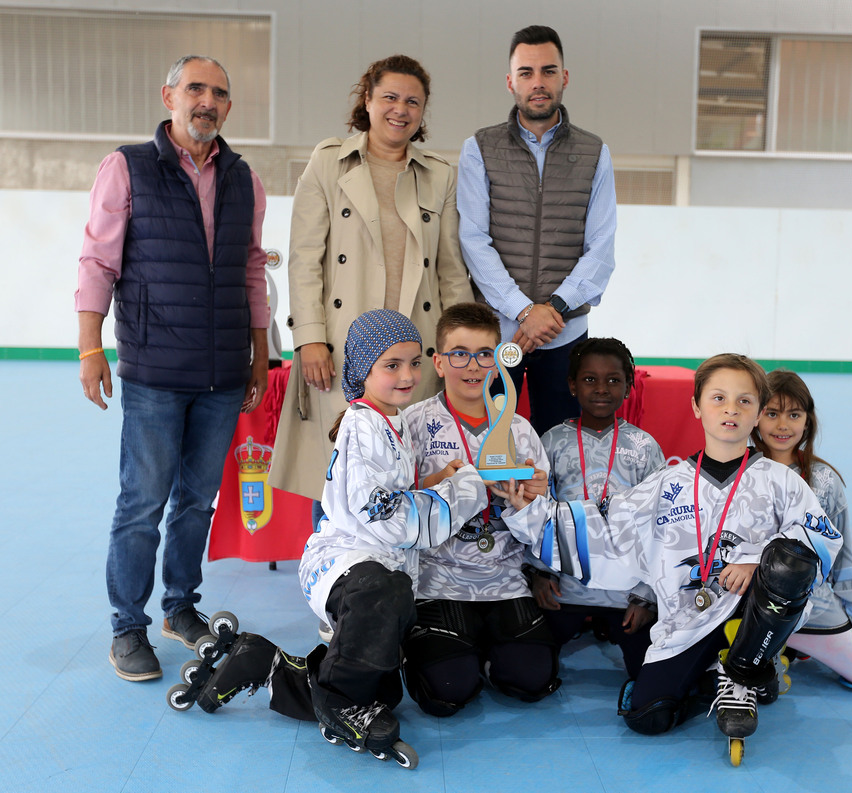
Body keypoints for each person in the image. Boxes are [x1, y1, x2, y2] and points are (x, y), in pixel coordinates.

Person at [187, 310, 489, 763]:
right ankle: (342, 705)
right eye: (392, 365)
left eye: (413, 362)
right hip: (348, 565)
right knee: (384, 594)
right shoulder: (365, 425)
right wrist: (464, 492)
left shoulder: (392, 417)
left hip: (377, 563)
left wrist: (435, 480)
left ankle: (264, 665)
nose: (407, 375)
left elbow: (395, 490)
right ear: (364, 370)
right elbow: (387, 517)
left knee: (381, 686)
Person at [498, 354, 844, 749]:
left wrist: (755, 556)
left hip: (747, 616)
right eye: (718, 398)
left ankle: (743, 670)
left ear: (758, 412)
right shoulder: (667, 483)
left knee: (788, 563)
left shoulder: (782, 482)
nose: (731, 409)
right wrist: (530, 510)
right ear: (697, 406)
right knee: (647, 718)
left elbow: (820, 540)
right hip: (687, 621)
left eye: (744, 401)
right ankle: (713, 681)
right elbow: (604, 527)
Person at [75, 54, 270, 682]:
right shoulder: (126, 167)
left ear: (229, 107)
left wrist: (259, 356)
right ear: (169, 96)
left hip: (221, 374)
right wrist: (89, 346)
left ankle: (180, 607)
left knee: (197, 502)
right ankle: (127, 627)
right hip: (155, 371)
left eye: (218, 92)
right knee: (142, 501)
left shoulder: (245, 179)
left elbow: (249, 273)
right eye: (195, 88)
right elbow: (97, 262)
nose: (206, 100)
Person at [269, 54, 473, 525]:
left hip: (415, 349)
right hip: (342, 350)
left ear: (423, 112)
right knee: (339, 475)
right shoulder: (328, 164)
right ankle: (338, 588)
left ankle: (410, 592)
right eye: (389, 97)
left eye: (413, 101)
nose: (400, 109)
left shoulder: (440, 174)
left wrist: (460, 351)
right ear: (367, 100)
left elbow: (450, 272)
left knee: (411, 474)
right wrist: (310, 338)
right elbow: (304, 260)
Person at [458, 25, 617, 436]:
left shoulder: (595, 152)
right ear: (511, 82)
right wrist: (523, 311)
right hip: (495, 335)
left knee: (562, 450)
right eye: (526, 73)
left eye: (548, 71)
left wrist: (553, 310)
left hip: (565, 335)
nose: (538, 82)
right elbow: (473, 239)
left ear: (565, 77)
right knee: (486, 448)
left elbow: (601, 246)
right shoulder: (479, 148)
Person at [399, 303, 556, 715]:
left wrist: (536, 502)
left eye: (485, 353)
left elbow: (545, 528)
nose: (473, 366)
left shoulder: (519, 430)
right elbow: (390, 510)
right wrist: (436, 484)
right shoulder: (411, 424)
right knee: (446, 692)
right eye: (459, 353)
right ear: (438, 361)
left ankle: (482, 648)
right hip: (437, 582)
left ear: (501, 359)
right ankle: (453, 649)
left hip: (504, 579)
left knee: (533, 681)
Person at [529, 338, 665, 681]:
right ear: (572, 385)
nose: (601, 389)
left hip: (626, 593)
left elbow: (660, 525)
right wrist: (539, 574)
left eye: (614, 380)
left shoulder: (644, 447)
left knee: (649, 677)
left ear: (629, 386)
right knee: (531, 673)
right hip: (565, 587)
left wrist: (646, 596)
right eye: (590, 379)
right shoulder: (552, 442)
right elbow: (537, 512)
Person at [752, 369, 852, 691]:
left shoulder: (825, 482)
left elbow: (844, 560)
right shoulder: (742, 471)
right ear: (756, 416)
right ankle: (772, 647)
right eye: (772, 413)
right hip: (751, 599)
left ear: (807, 421)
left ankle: (791, 643)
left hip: (810, 600)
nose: (782, 425)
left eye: (793, 414)